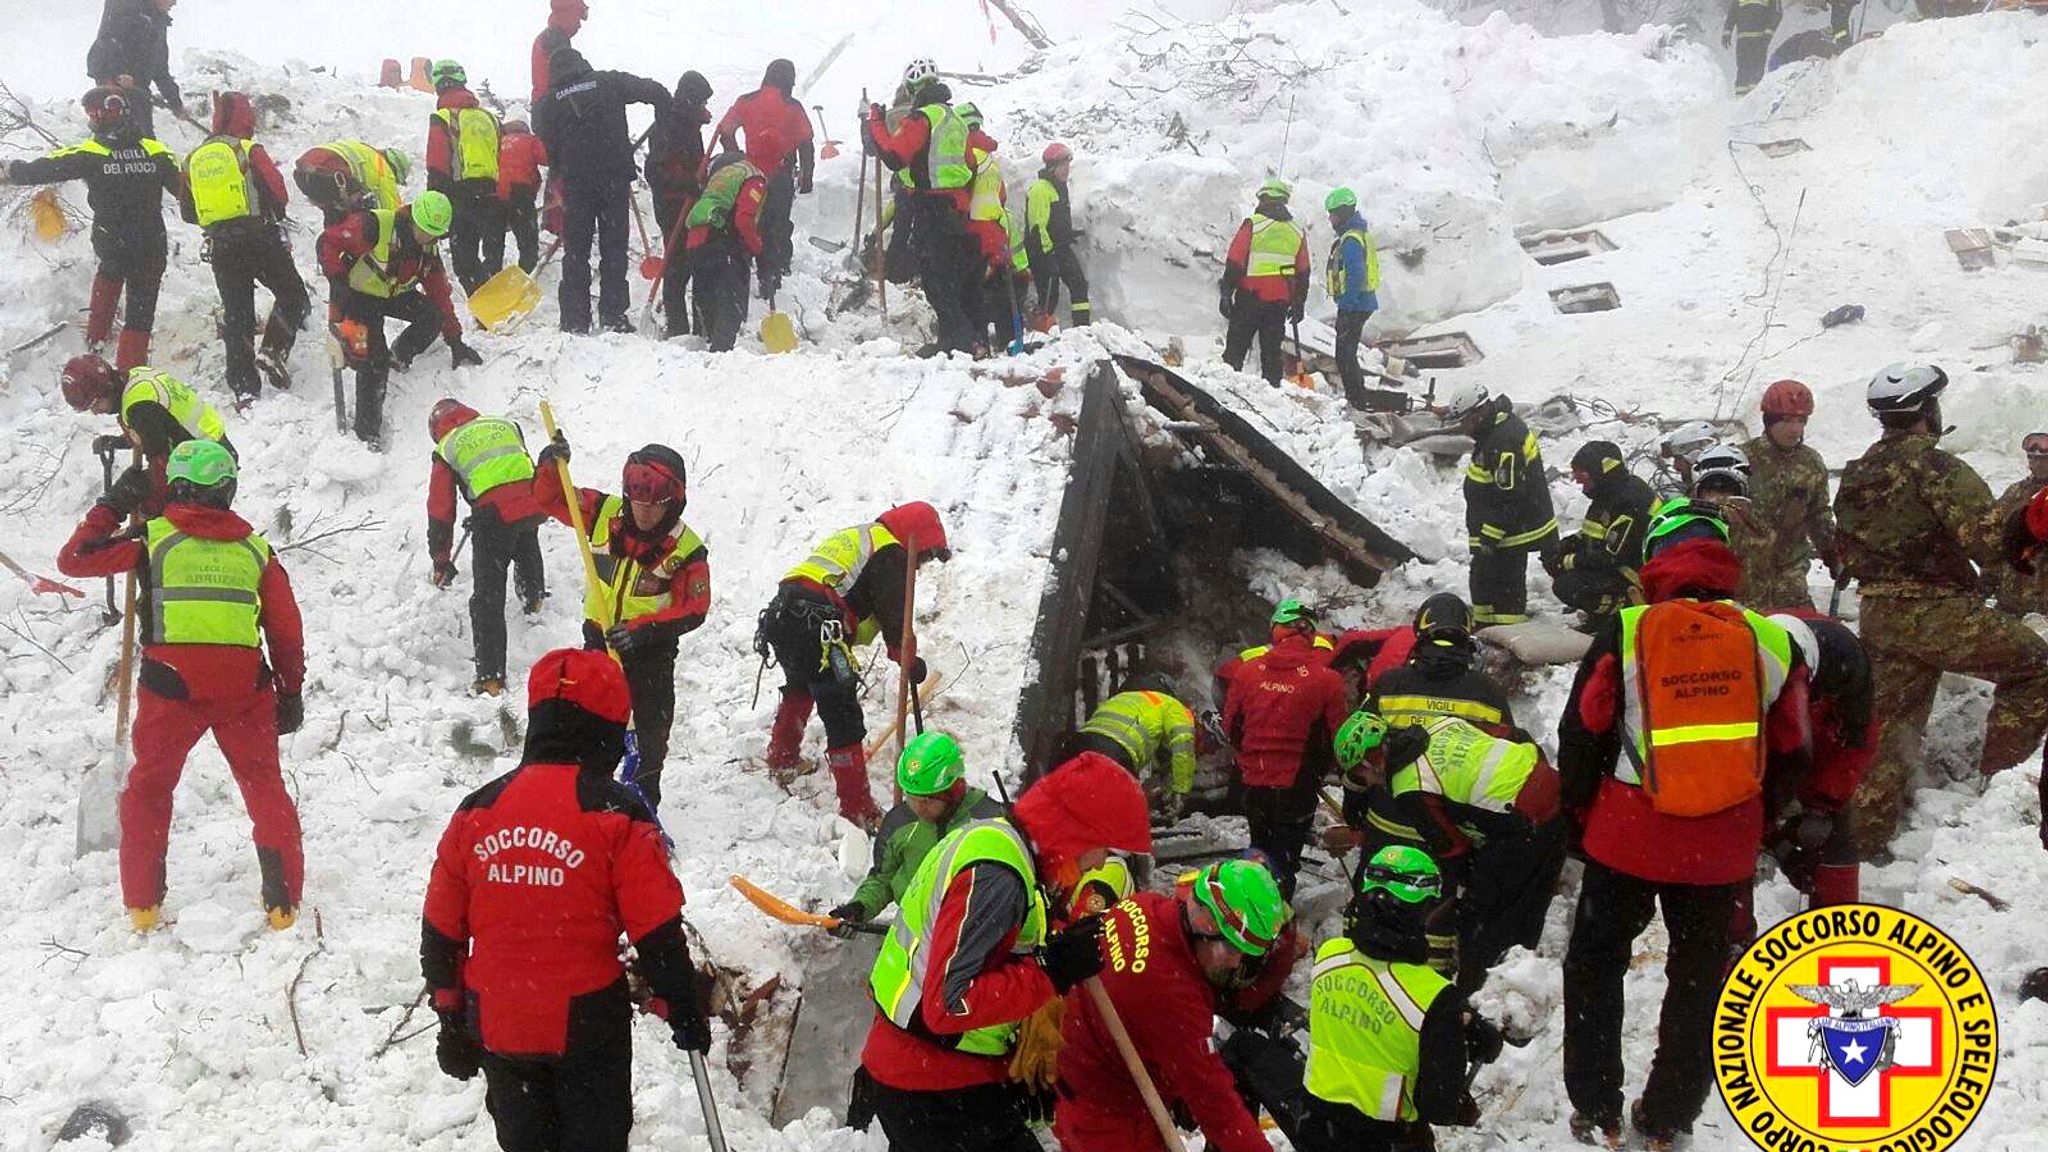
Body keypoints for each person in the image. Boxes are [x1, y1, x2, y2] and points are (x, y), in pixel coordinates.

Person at [1557, 500, 1811, 1149]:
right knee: (1699, 979)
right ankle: (1669, 1116)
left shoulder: (1629, 627)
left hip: (1627, 837)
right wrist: (1755, 821)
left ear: (1656, 560)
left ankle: (1596, 1106)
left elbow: (1582, 729)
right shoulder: (1771, 637)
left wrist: (1580, 817)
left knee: (1593, 964)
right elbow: (1792, 748)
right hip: (1720, 850)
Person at [421, 647, 712, 1152]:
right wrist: (680, 1003)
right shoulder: (617, 814)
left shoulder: (477, 810)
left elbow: (441, 927)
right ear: (608, 730)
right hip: (586, 1025)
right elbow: (657, 928)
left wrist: (451, 1016)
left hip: (497, 1019)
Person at [56, 441, 305, 933]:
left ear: (176, 487)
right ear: (228, 490)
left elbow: (74, 559)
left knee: (149, 789)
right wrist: (290, 691)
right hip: (244, 688)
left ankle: (144, 906)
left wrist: (113, 504)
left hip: (170, 685)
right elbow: (285, 628)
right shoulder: (257, 549)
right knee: (264, 787)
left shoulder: (152, 540)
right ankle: (283, 905)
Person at [859, 751, 1152, 1152]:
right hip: (930, 1087)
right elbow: (950, 1003)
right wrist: (1051, 971)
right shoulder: (996, 876)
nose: (1101, 861)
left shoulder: (996, 843)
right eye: (1100, 846)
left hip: (925, 1071)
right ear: (1072, 832)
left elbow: (996, 952)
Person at [1833, 363, 2048, 857]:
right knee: (2035, 666)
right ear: (1928, 411)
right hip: (1935, 611)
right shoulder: (1937, 468)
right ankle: (2001, 785)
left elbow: (1846, 546)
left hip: (1880, 615)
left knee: (1887, 729)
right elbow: (1991, 543)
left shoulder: (1857, 474)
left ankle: (1861, 843)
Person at [1229, 845, 1496, 1152]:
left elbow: (1377, 999)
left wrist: (1457, 1019)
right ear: (1424, 910)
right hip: (1390, 1143)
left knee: (1243, 1049)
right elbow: (1440, 1107)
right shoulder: (1436, 998)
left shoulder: (1330, 955)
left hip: (1316, 1129)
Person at [1052, 859, 1288, 1152]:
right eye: (1231, 948)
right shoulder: (1172, 995)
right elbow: (1218, 1109)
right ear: (1205, 925)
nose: (1235, 962)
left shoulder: (1145, 906)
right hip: (1111, 1117)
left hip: (1083, 1075)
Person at [531, 436, 708, 813]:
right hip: (598, 639)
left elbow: (695, 607)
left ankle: (643, 804)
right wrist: (550, 464)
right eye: (638, 503)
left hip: (650, 652)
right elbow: (549, 498)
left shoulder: (686, 549)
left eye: (654, 506)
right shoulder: (600, 513)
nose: (644, 513)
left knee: (649, 730)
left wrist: (644, 629)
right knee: (588, 719)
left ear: (673, 502)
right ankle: (589, 796)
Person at [1331, 709, 1562, 993]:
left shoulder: (1409, 786)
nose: (1365, 782)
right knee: (1530, 903)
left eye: (1358, 773)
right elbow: (1515, 736)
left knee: (1480, 920)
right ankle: (1523, 980)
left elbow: (1452, 850)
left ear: (1370, 761)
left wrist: (1466, 889)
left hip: (1522, 825)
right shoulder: (1440, 723)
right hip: (1552, 795)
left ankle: (1475, 999)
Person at [758, 502, 951, 825]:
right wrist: (909, 660)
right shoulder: (892, 554)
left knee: (799, 687)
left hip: (785, 613)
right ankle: (858, 808)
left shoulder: (862, 536)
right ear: (916, 540)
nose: (917, 567)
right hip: (818, 624)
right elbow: (896, 623)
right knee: (842, 715)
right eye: (923, 558)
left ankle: (782, 757)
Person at [1, 87, 179, 371]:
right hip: (151, 243)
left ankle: (96, 344)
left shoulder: (91, 153)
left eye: (93, 114)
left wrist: (8, 170)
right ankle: (130, 374)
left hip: (113, 242)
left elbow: (42, 169)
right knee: (140, 314)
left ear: (99, 118)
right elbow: (187, 191)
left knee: (108, 277)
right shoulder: (156, 151)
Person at [317, 190, 482, 446]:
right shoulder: (375, 226)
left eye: (434, 234)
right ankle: (367, 432)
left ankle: (400, 355)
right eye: (424, 230)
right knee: (373, 362)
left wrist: (455, 339)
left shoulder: (428, 252)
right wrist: (337, 279)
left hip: (391, 294)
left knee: (432, 315)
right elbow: (327, 242)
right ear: (413, 217)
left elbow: (440, 294)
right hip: (359, 295)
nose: (428, 237)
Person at [178, 91, 308, 403]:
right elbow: (279, 194)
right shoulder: (249, 149)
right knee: (293, 296)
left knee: (238, 316)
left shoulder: (193, 158)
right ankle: (273, 351)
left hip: (222, 247)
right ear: (246, 118)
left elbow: (187, 212)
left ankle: (244, 388)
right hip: (259, 238)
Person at [534, 47, 671, 334]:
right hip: (613, 180)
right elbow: (657, 91)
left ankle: (574, 320)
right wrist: (665, 123)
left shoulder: (548, 103)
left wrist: (563, 165)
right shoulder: (609, 82)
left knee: (576, 252)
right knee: (614, 249)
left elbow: (546, 144)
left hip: (577, 185)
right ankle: (613, 315)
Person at [1223, 599, 1353, 897]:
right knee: (1286, 857)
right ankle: (1278, 914)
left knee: (1260, 851)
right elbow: (1341, 737)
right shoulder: (1327, 679)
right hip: (1298, 785)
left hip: (1254, 780)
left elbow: (1232, 726)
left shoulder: (1248, 671)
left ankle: (1249, 911)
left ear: (1277, 630)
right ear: (1310, 635)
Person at [864, 66, 991, 355]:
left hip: (929, 207)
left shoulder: (922, 118)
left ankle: (968, 343)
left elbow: (895, 156)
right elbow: (969, 162)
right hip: (955, 208)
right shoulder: (955, 118)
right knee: (955, 281)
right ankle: (963, 343)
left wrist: (875, 124)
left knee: (936, 284)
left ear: (914, 89)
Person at [426, 400, 548, 696]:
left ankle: (490, 678)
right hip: (535, 499)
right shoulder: (504, 423)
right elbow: (515, 469)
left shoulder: (447, 446)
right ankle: (533, 598)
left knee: (487, 599)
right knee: (524, 539)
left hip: (494, 516)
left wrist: (441, 559)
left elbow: (441, 508)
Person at [829, 732, 1004, 931]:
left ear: (953, 791)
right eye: (911, 797)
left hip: (971, 933)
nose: (918, 808)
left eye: (926, 800)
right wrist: (860, 907)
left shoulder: (989, 824)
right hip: (914, 932)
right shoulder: (900, 824)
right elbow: (883, 879)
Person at [1438, 381, 1559, 626]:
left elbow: (1509, 497)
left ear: (1479, 412)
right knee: (1483, 580)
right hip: (1499, 526)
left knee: (1505, 587)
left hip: (1511, 530)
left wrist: (1489, 539)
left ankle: (1509, 632)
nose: (1463, 428)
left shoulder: (1504, 441)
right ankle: (1485, 628)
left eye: (1465, 421)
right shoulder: (1494, 430)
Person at [61, 356, 235, 516]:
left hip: (209, 470)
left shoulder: (140, 407)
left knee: (179, 527)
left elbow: (160, 464)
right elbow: (159, 428)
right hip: (210, 449)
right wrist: (119, 441)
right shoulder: (136, 378)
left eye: (96, 404)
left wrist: (151, 511)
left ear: (108, 388)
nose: (95, 412)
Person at [710, 58, 814, 299]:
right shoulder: (793, 106)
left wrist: (735, 157)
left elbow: (724, 130)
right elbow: (806, 143)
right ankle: (773, 272)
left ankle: (748, 264)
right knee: (777, 224)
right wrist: (806, 177)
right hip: (780, 174)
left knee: (750, 219)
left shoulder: (745, 101)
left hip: (749, 174)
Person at [1741, 379, 1837, 611]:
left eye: (1801, 420)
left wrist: (1834, 555)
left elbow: (1819, 516)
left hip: (1790, 582)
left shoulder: (1810, 462)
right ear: (1769, 421)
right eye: (1786, 420)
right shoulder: (1742, 459)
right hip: (1744, 582)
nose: (1795, 429)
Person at [1364, 594, 1516, 732]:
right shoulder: (1489, 693)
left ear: (1418, 631)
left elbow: (1354, 744)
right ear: (1467, 634)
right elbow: (1511, 751)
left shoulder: (1389, 685)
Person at [1547, 440, 1657, 629]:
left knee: (1568, 585)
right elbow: (1597, 532)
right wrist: (1570, 544)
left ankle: (1620, 612)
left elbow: (1612, 557)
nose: (1577, 480)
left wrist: (1567, 561)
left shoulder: (1630, 500)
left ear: (1603, 472)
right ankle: (1600, 609)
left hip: (1637, 577)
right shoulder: (1608, 492)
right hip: (1619, 566)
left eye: (1582, 474)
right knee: (1560, 566)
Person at [683, 134, 774, 352]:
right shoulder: (755, 178)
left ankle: (708, 352)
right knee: (731, 305)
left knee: (709, 299)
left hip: (696, 238)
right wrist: (758, 249)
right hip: (721, 240)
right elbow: (744, 219)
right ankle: (720, 357)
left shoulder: (729, 170)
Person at [423, 60, 502, 294]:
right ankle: (500, 301)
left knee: (465, 260)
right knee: (491, 257)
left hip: (461, 197)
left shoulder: (443, 117)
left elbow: (437, 164)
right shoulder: (490, 118)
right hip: (493, 196)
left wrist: (435, 204)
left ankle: (489, 309)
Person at [1221, 179, 1309, 386]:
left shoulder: (1254, 223)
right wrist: (1299, 301)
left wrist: (1226, 291)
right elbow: (1303, 270)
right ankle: (1272, 393)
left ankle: (1225, 389)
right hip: (1279, 302)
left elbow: (1235, 260)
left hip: (1249, 298)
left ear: (1264, 199)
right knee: (1271, 354)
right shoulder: (1297, 231)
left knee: (1235, 351)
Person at [646, 72, 713, 336]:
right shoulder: (668, 125)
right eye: (701, 102)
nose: (704, 108)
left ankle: (700, 329)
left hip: (691, 203)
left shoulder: (690, 125)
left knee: (698, 264)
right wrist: (686, 183)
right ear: (690, 99)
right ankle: (677, 329)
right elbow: (656, 170)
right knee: (677, 267)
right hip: (673, 206)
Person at [1073, 680, 1199, 819]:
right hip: (1116, 751)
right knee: (1118, 819)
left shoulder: (1126, 699)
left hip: (1077, 747)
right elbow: (1183, 744)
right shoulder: (1173, 706)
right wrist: (1181, 790)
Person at [962, 107, 1031, 348]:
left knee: (973, 297)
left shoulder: (966, 155)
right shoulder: (990, 160)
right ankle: (1010, 344)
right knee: (1005, 301)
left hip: (974, 233)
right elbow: (1001, 195)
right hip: (997, 234)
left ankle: (978, 345)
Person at [1323, 187, 1380, 407]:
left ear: (1343, 213)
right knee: (1347, 353)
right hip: (1360, 302)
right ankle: (1357, 398)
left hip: (1355, 304)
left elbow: (1356, 273)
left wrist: (1347, 305)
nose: (1330, 218)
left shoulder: (1351, 239)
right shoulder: (1356, 233)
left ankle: (1356, 400)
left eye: (1332, 214)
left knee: (1344, 355)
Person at [87, 0, 180, 134]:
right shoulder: (125, 6)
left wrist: (175, 102)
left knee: (143, 130)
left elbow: (160, 69)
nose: (174, 3)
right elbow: (109, 39)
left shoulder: (158, 22)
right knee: (118, 127)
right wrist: (119, 72)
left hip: (138, 84)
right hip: (114, 80)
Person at [1026, 143, 1091, 328]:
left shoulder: (1059, 187)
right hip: (1043, 253)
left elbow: (1055, 221)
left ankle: (1082, 329)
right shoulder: (1040, 189)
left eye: (1068, 166)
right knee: (1049, 297)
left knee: (1079, 285)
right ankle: (1039, 333)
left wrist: (1068, 233)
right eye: (1062, 166)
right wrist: (1048, 256)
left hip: (1060, 249)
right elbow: (1037, 227)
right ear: (1051, 167)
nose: (1066, 170)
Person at [1990, 431, 2048, 616]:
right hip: (2011, 601)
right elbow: (1993, 536)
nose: (2037, 463)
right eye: (2032, 458)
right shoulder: (2015, 492)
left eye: (2044, 459)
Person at [293, 140, 406, 225]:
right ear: (394, 169)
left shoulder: (365, 150)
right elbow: (392, 213)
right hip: (326, 175)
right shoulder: (385, 170)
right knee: (358, 212)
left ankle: (333, 244)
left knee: (334, 216)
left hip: (301, 173)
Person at [491, 119, 548, 275]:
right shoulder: (529, 140)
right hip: (520, 196)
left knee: (494, 248)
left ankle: (491, 283)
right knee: (528, 246)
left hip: (494, 198)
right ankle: (522, 282)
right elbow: (548, 158)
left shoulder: (496, 142)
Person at [531, 0, 587, 104]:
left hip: (544, 101)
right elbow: (568, 74)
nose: (579, 26)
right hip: (550, 103)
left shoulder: (549, 35)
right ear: (569, 16)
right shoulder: (555, 37)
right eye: (578, 19)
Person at [1725, 0, 1784, 95]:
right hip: (1742, 40)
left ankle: (1754, 99)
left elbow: (1777, 14)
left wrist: (1768, 34)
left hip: (1759, 40)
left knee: (1756, 72)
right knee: (1742, 71)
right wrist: (1727, 31)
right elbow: (1733, 12)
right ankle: (1740, 99)